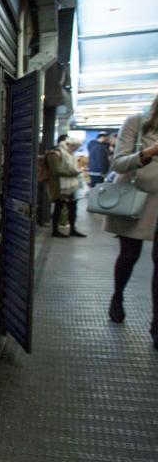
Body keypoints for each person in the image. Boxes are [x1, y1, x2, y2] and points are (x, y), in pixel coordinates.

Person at [106, 94, 158, 349]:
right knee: (129, 255)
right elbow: (118, 163)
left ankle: (157, 324)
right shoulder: (136, 123)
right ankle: (118, 297)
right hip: (137, 200)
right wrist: (147, 153)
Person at [47, 135, 86, 238]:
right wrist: (73, 172)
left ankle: (72, 229)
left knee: (72, 207)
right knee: (58, 207)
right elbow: (55, 171)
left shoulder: (70, 155)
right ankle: (55, 230)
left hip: (71, 185)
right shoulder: (54, 154)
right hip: (59, 186)